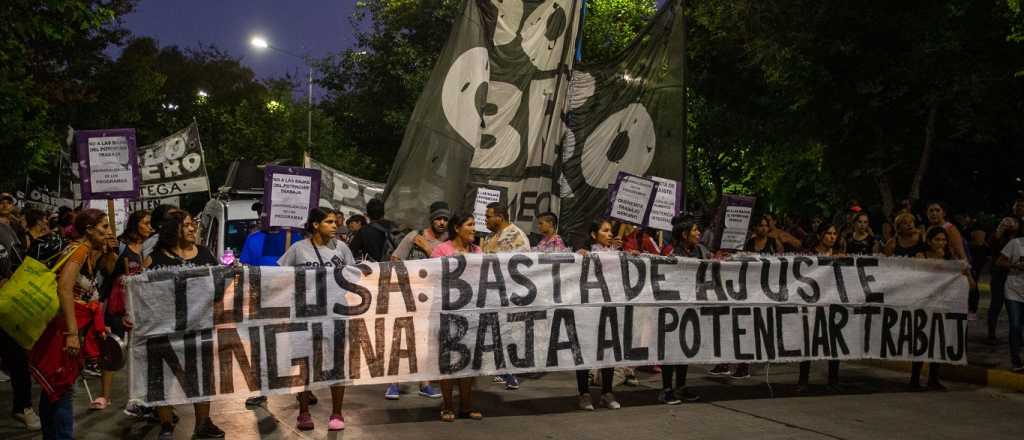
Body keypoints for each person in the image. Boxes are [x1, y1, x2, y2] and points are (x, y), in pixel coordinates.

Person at [31, 209, 113, 439]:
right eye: (104, 227)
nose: (109, 232)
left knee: (54, 392)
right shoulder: (79, 249)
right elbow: (64, 288)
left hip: (66, 327)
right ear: (88, 230)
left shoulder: (82, 250)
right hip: (65, 331)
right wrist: (72, 333)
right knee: (62, 390)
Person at [147, 211, 224, 440]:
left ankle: (202, 424)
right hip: (165, 329)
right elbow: (142, 294)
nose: (193, 229)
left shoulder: (205, 254)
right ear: (174, 229)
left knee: (202, 375)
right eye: (187, 225)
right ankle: (166, 425)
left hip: (200, 327)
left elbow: (218, 287)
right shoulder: (155, 259)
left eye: (193, 225)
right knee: (164, 376)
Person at [277, 208, 354, 431]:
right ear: (315, 225)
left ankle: (337, 413)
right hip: (306, 316)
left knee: (336, 365)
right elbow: (280, 278)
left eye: (335, 222)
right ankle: (303, 412)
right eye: (329, 222)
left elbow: (353, 277)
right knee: (305, 365)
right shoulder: (297, 250)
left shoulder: (342, 249)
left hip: (337, 315)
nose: (335, 226)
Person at [384, 201, 448, 400]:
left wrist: (428, 250)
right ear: (431, 218)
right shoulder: (414, 236)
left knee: (427, 342)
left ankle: (425, 383)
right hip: (408, 295)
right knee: (401, 338)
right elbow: (395, 260)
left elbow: (448, 268)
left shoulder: (447, 242)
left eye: (445, 219)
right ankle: (393, 383)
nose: (442, 222)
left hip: (433, 298)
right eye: (438, 218)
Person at [709, 215, 783, 379]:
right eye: (760, 225)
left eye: (766, 225)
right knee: (734, 326)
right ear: (755, 228)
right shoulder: (747, 243)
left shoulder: (773, 244)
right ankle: (725, 363)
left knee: (751, 329)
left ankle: (744, 365)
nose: (763, 228)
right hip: (744, 290)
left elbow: (781, 265)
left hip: (762, 292)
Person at [93, 210, 150, 412]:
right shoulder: (121, 245)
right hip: (118, 307)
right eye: (145, 223)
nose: (149, 227)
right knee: (112, 349)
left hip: (141, 307)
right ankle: (104, 396)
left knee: (141, 352)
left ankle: (139, 396)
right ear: (135, 225)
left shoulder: (150, 246)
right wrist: (111, 253)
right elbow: (107, 272)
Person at [432, 213, 484, 422]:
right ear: (457, 228)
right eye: (470, 225)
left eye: (474, 225)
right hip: (448, 313)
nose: (474, 229)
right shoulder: (441, 251)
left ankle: (466, 406)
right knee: (449, 360)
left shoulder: (478, 251)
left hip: (471, 313)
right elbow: (435, 280)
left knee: (468, 361)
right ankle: (447, 405)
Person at [481, 202, 530, 390]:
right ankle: (502, 368)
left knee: (507, 333)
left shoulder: (516, 236)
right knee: (495, 332)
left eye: (488, 216)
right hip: (491, 293)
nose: (485, 220)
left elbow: (522, 266)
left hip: (509, 294)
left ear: (499, 217)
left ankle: (510, 371)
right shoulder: (491, 236)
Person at [575, 218, 621, 411]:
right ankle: (584, 394)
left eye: (611, 231)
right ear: (594, 235)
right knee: (584, 350)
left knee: (608, 349)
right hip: (588, 310)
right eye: (605, 230)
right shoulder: (584, 254)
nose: (610, 234)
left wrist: (631, 256)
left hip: (609, 309)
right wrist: (579, 256)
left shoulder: (616, 255)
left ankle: (607, 393)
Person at [659, 216, 704, 405]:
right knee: (670, 348)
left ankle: (681, 387)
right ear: (685, 234)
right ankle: (667, 389)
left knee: (685, 346)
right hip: (672, 307)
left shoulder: (699, 251)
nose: (699, 233)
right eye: (695, 230)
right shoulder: (671, 253)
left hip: (691, 307)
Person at [0, 215, 39, 431]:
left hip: (9, 308)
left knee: (17, 360)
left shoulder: (7, 229)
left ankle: (22, 407)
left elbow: (20, 263)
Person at [797, 222, 843, 393]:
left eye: (834, 234)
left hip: (833, 302)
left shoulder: (839, 255)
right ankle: (803, 380)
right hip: (812, 303)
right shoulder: (809, 255)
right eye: (828, 233)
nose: (832, 237)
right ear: (821, 235)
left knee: (834, 340)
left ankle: (833, 380)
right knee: (809, 340)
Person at [909, 227, 957, 390]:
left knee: (938, 340)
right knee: (921, 340)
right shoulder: (921, 255)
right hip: (923, 304)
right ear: (929, 241)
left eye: (943, 240)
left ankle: (933, 379)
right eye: (937, 239)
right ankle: (914, 380)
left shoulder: (949, 256)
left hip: (943, 304)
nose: (941, 243)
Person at [238, 202, 302, 268]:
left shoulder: (294, 237)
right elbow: (246, 266)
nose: (260, 217)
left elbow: (302, 267)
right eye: (259, 213)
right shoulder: (252, 238)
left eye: (265, 212)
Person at [996, 228, 1024, 372]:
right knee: (1015, 325)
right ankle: (1016, 361)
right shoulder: (1015, 243)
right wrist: (1016, 266)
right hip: (1013, 289)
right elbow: (999, 261)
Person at [989, 217, 1020, 344]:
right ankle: (991, 334)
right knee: (996, 305)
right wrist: (1000, 229)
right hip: (999, 275)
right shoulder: (998, 236)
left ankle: (1018, 335)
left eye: (1012, 222)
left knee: (1016, 306)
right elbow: (992, 244)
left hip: (1016, 277)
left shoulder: (1019, 237)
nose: (1008, 224)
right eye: (1004, 222)